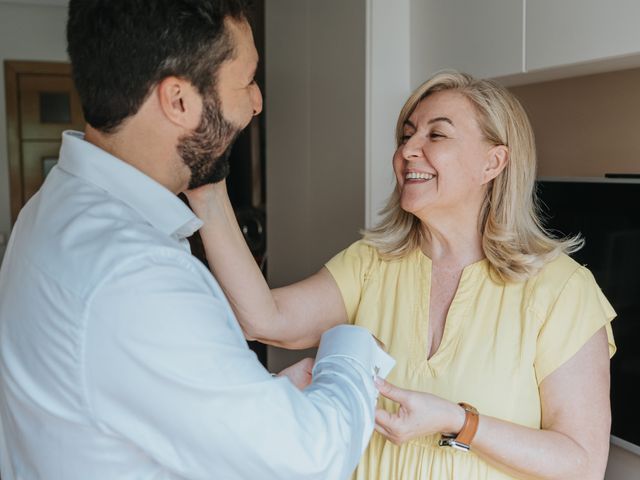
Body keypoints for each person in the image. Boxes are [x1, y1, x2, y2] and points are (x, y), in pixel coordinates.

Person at [0, 1, 395, 479]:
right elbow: (306, 459)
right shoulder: (136, 274)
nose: (257, 102)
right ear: (180, 101)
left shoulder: (51, 211)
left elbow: (123, 388)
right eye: (247, 80)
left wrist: (253, 391)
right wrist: (351, 350)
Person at [186, 71, 617, 480]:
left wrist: (459, 421)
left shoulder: (562, 290)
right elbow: (265, 318)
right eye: (407, 134)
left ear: (493, 163)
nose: (409, 149)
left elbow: (582, 463)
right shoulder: (372, 263)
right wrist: (208, 187)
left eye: (437, 134)